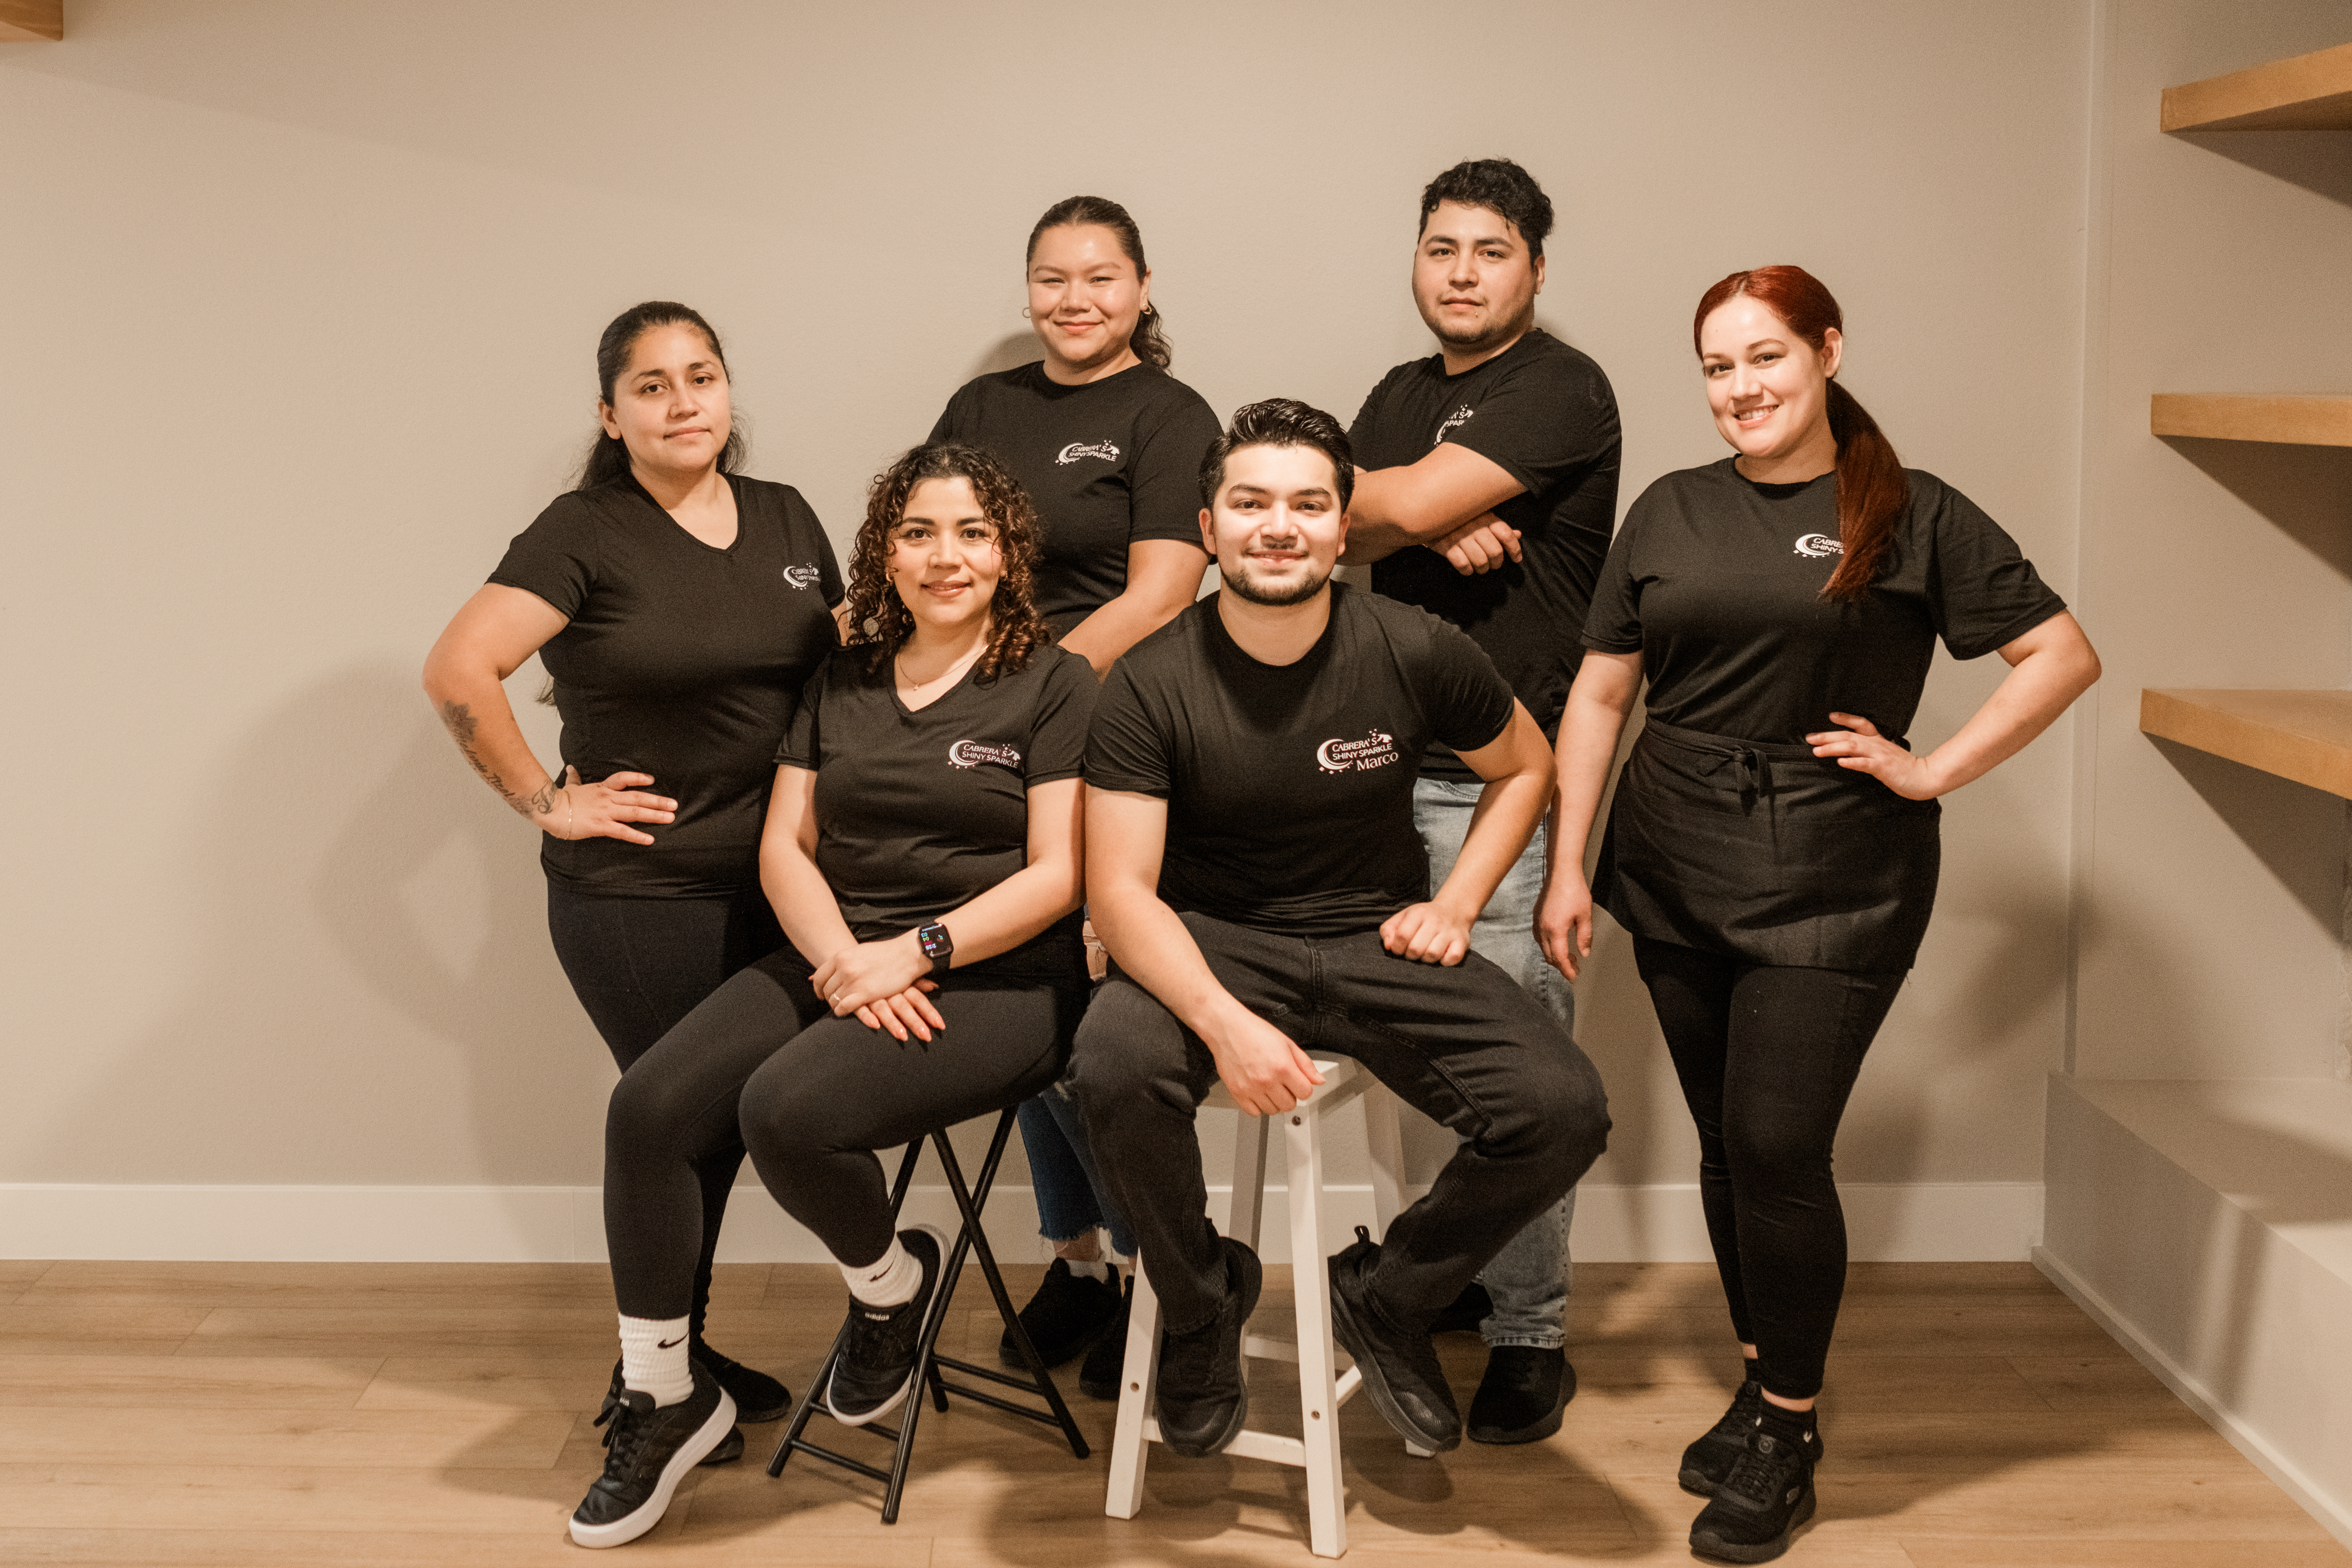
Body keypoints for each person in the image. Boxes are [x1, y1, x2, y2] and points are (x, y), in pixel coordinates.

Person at [1537, 267, 2100, 1563]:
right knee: (1730, 1148)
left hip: (1836, 874)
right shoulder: (1671, 509)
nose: (1742, 387)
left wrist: (1933, 766)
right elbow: (1601, 696)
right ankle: (1759, 1375)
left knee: (1782, 1143)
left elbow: (2061, 652)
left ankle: (1788, 1427)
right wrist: (1572, 863)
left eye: (1766, 359)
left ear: (1828, 351)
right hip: (1672, 854)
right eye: (1719, 368)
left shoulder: (1906, 512)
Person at [566, 444, 1095, 1547]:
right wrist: (847, 959)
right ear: (883, 556)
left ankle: (890, 1286)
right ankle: (667, 1393)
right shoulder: (842, 679)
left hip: (1002, 976)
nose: (945, 556)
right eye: (917, 533)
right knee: (650, 1108)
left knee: (784, 1109)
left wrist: (919, 950)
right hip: (840, 951)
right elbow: (785, 848)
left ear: (1007, 553)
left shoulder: (1057, 682)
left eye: (971, 533)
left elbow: (1060, 874)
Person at [1071, 398, 1612, 1460]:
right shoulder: (1147, 681)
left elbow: (1528, 764)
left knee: (1562, 1106)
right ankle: (1199, 1305)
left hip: (1375, 936)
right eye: (1252, 503)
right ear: (1211, 523)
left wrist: (1455, 903)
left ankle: (1390, 1291)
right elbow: (1122, 892)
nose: (1280, 525)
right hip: (1213, 937)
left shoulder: (1414, 645)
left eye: (1310, 504)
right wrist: (1223, 1023)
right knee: (1110, 1061)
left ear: (1342, 522)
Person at [421, 300, 833, 1442]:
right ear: (612, 414)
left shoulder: (787, 515)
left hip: (784, 880)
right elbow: (460, 667)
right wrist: (547, 799)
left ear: (727, 392)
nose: (684, 400)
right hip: (645, 894)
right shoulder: (584, 530)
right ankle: (657, 1375)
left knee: (723, 1122)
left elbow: (839, 675)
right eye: (652, 385)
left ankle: (676, 1356)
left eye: (701, 375)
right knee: (677, 1119)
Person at [1343, 156, 1621, 1444]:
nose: (1461, 272)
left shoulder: (1561, 388)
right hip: (1373, 777)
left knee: (1523, 1068)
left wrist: (1397, 509)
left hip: (1497, 782)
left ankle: (1531, 1334)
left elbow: (1354, 506)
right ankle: (1445, 1277)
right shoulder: (1402, 392)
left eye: (1490, 251)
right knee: (1413, 1052)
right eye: (1441, 247)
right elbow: (1307, 523)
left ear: (1536, 268)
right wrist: (1408, 518)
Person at [929, 194, 1223, 1394]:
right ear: (1027, 290)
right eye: (1052, 278)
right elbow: (937, 541)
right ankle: (1079, 1260)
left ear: (1143, 289)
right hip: (991, 736)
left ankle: (1164, 1273)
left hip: (1111, 731)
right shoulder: (984, 408)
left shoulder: (1170, 414)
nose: (1075, 299)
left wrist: (1034, 685)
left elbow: (1163, 589)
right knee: (1020, 992)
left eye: (1101, 278)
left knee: (1097, 1003)